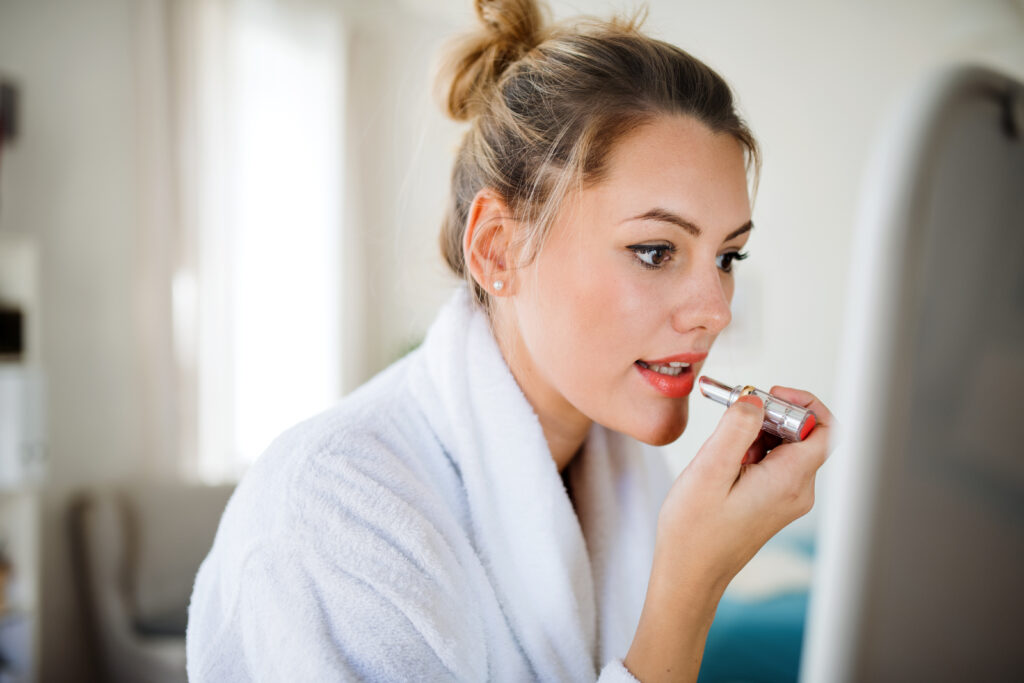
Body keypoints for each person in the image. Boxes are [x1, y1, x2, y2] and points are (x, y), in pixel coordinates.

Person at [186, 0, 832, 681]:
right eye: (653, 251)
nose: (715, 312)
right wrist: (686, 592)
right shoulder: (328, 514)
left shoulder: (626, 475)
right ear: (497, 250)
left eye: (729, 258)